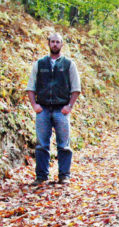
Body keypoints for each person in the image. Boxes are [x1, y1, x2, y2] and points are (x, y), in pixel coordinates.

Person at [25, 32, 81, 185]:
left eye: (58, 42)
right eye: (52, 41)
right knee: (42, 144)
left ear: (62, 44)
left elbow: (76, 88)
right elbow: (30, 87)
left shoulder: (69, 64)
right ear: (48, 43)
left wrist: (69, 106)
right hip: (43, 109)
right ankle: (41, 176)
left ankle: (64, 176)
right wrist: (34, 105)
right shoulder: (39, 64)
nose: (55, 44)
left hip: (61, 110)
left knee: (64, 144)